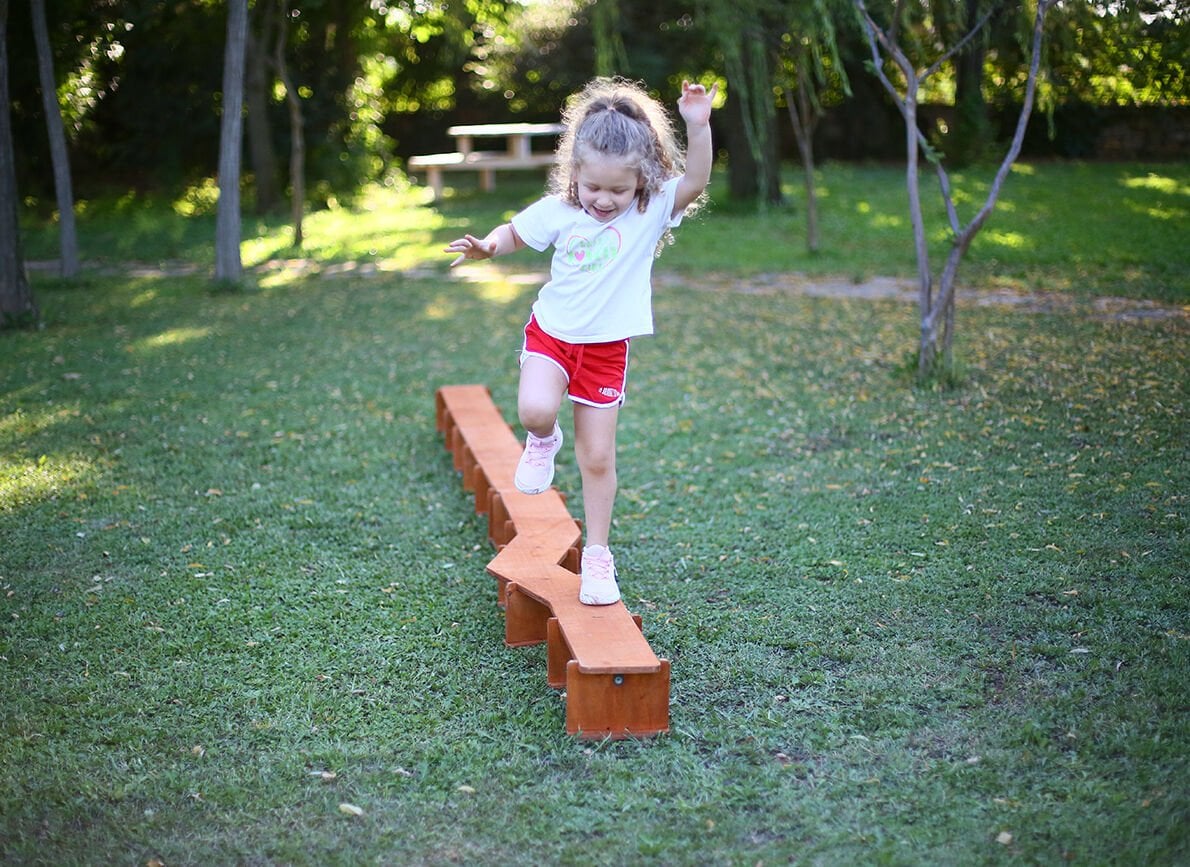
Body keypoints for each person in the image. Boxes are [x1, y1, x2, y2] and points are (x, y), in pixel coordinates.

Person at [444, 76, 718, 606]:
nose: (605, 200)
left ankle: (597, 556)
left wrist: (699, 125)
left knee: (598, 458)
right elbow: (516, 232)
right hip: (551, 335)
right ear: (576, 173)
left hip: (605, 350)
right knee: (534, 411)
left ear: (643, 178)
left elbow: (697, 181)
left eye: (619, 189)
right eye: (594, 187)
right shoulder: (562, 209)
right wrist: (488, 248)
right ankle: (544, 443)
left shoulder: (651, 208)